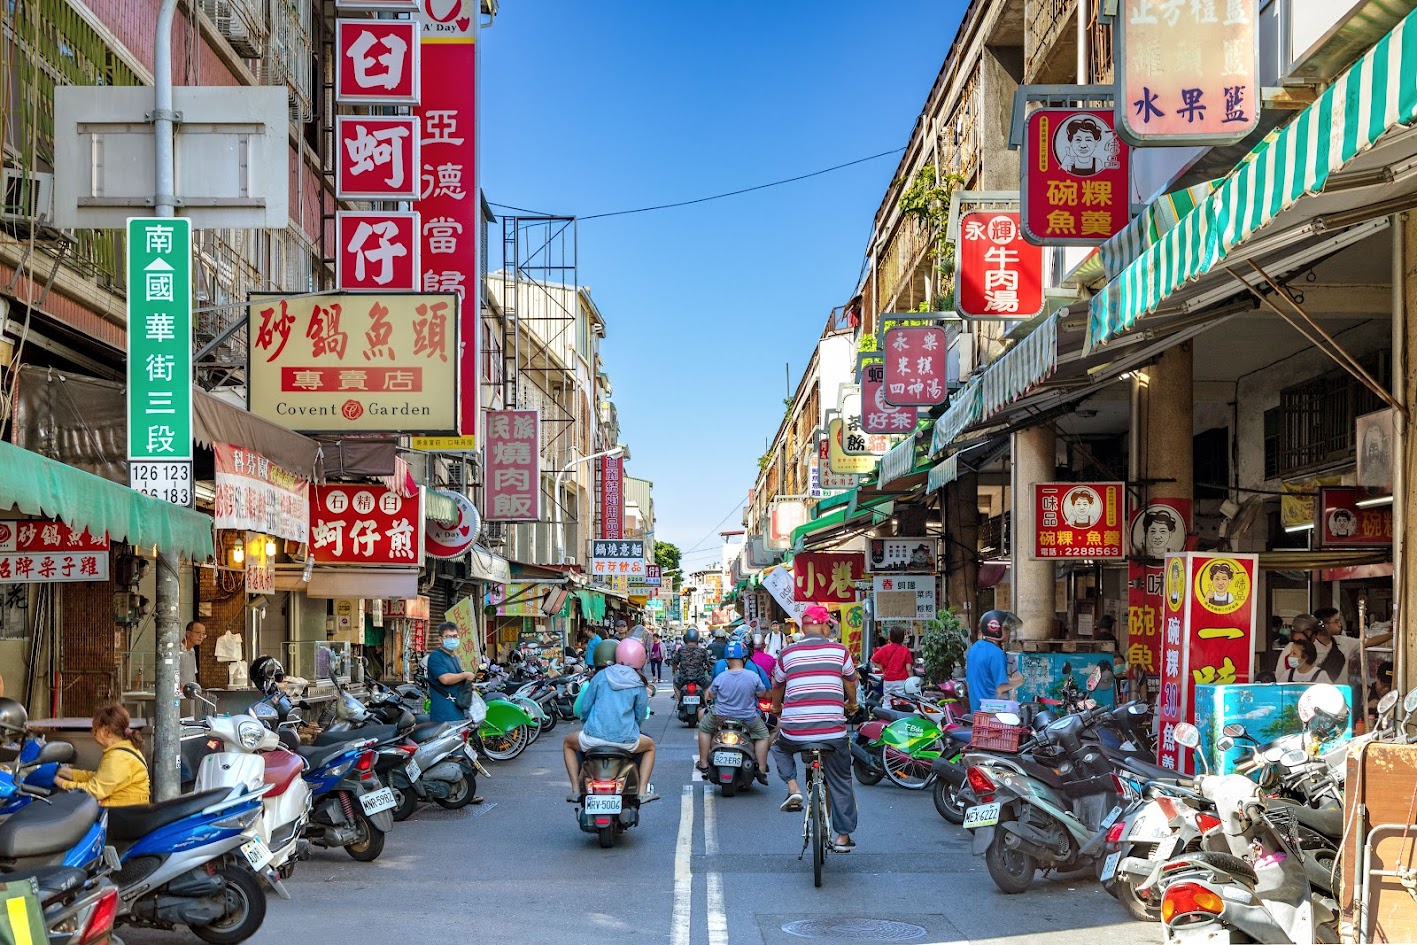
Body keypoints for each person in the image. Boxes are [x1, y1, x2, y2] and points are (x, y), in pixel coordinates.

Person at [770, 604, 858, 853]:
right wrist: (851, 704)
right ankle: (842, 837)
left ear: (803, 626)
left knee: (778, 746)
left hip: (795, 731)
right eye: (829, 624)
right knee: (841, 779)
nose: (830, 628)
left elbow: (777, 686)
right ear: (821, 625)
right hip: (833, 732)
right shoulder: (839, 651)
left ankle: (793, 788)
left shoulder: (787, 654)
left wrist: (777, 708)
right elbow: (851, 683)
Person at [562, 638, 657, 804]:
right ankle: (642, 792)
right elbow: (640, 714)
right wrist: (632, 727)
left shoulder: (601, 676)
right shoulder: (638, 682)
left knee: (568, 744)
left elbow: (585, 707)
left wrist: (587, 724)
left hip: (593, 739)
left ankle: (576, 790)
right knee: (650, 747)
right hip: (626, 741)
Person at [697, 641, 771, 784]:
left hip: (720, 716)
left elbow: (710, 695)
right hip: (747, 718)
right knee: (762, 735)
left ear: (727, 659)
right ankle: (761, 769)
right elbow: (762, 693)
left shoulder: (721, 677)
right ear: (744, 657)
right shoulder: (752, 676)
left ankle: (704, 763)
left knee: (704, 728)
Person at [55, 704, 149, 806]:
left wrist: (60, 782)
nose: (93, 731)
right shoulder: (124, 750)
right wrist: (70, 774)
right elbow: (101, 777)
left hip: (124, 813)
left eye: (96, 727)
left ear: (107, 731)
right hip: (125, 809)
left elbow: (93, 791)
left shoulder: (119, 757)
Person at [965, 610, 1019, 713]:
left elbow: (968, 682)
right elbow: (1001, 689)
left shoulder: (974, 648)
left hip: (976, 711)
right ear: (995, 629)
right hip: (992, 712)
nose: (1009, 633)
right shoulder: (997, 654)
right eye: (1006, 629)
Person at [426, 621, 479, 722]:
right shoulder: (436, 656)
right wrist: (465, 675)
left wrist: (467, 685)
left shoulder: (455, 658)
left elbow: (457, 680)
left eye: (455, 636)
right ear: (440, 639)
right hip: (444, 714)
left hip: (457, 710)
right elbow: (445, 679)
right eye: (448, 636)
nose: (452, 639)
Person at [670, 627, 713, 716]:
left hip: (683, 678)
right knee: (709, 682)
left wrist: (675, 669)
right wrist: (708, 669)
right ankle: (704, 702)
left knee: (675, 681)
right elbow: (708, 665)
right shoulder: (702, 650)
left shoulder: (681, 650)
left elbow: (674, 663)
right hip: (700, 679)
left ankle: (680, 700)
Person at [871, 626, 913, 697]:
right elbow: (908, 669)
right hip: (901, 681)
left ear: (891, 636)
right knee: (900, 701)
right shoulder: (905, 650)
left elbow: (873, 660)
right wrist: (911, 680)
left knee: (887, 701)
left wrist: (882, 668)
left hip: (888, 680)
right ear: (902, 637)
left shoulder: (884, 649)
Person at [180, 620, 205, 690]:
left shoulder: (192, 650)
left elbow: (193, 674)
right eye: (198, 633)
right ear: (188, 633)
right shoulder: (177, 650)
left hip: (189, 692)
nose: (201, 636)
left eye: (203, 634)